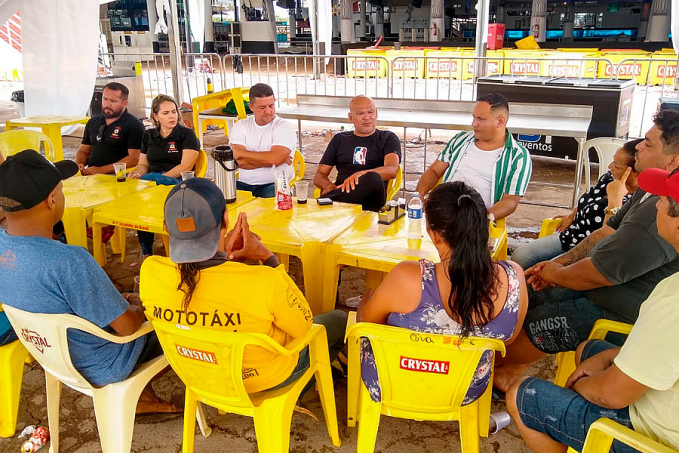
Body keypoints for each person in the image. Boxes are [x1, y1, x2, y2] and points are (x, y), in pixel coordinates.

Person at [493, 109, 679, 393]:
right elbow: (606, 231)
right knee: (528, 293)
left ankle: (496, 372)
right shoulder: (652, 186)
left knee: (539, 321)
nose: (638, 145)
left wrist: (557, 273)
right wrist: (556, 265)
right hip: (599, 289)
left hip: (618, 311)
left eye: (649, 144)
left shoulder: (659, 217)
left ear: (673, 160)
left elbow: (596, 275)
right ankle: (507, 370)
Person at [507, 167, 679, 453]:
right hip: (659, 389)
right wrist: (612, 356)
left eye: (664, 200)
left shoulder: (672, 300)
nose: (657, 203)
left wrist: (579, 388)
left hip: (654, 432)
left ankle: (498, 377)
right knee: (589, 349)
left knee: (522, 394)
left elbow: (612, 395)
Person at [0, 150, 177, 412]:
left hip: (49, 355)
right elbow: (127, 327)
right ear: (51, 200)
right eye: (61, 190)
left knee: (120, 299)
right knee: (179, 320)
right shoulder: (69, 261)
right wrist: (139, 307)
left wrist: (118, 301)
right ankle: (143, 393)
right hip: (104, 363)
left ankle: (143, 398)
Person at [140, 178, 348, 394]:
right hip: (263, 378)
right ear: (225, 220)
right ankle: (310, 380)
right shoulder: (264, 280)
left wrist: (224, 259)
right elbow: (303, 327)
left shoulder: (150, 271)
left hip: (197, 372)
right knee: (338, 321)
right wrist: (268, 258)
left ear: (165, 225)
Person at [357, 181, 528, 403]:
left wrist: (364, 303)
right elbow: (508, 338)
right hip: (465, 390)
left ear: (434, 235)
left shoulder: (407, 278)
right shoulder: (514, 278)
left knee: (362, 312)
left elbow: (370, 326)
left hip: (393, 384)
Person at [512, 138, 642, 270]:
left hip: (592, 254)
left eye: (616, 165)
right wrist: (575, 212)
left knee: (540, 273)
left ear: (636, 175)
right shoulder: (609, 178)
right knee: (520, 257)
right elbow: (591, 196)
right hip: (572, 236)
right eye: (613, 161)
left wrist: (614, 201)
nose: (610, 167)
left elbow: (607, 243)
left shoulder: (637, 202)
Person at [415, 93, 532, 222]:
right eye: (474, 117)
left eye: (481, 119)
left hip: (476, 218)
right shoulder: (461, 139)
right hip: (444, 210)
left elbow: (510, 200)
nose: (474, 123)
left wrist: (485, 219)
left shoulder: (518, 156)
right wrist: (418, 195)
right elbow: (434, 171)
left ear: (500, 121)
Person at [129, 94, 200, 257]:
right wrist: (137, 173)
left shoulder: (186, 135)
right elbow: (143, 164)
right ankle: (146, 252)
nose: (172, 116)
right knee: (139, 202)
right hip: (152, 181)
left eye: (174, 112)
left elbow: (185, 166)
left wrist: (158, 179)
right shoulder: (149, 135)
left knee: (146, 188)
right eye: (166, 113)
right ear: (155, 116)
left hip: (178, 182)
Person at [313, 95, 401, 212]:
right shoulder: (340, 139)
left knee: (373, 178)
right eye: (360, 114)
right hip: (343, 193)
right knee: (341, 193)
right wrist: (327, 185)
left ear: (376, 113)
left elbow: (391, 170)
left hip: (371, 200)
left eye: (371, 112)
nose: (367, 117)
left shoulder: (388, 138)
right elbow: (319, 175)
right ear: (351, 117)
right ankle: (330, 201)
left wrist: (361, 174)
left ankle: (324, 203)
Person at [229, 83, 296, 198]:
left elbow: (274, 158)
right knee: (222, 205)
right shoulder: (241, 125)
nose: (268, 111)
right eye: (262, 108)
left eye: (271, 105)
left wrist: (241, 154)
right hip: (243, 184)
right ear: (251, 107)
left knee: (271, 211)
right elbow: (235, 161)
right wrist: (272, 160)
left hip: (274, 184)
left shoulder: (284, 126)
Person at [75, 82, 145, 175]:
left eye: (113, 101)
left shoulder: (134, 125)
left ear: (125, 103)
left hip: (119, 176)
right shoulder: (93, 122)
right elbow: (84, 150)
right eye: (105, 99)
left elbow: (134, 159)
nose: (107, 104)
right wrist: (80, 163)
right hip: (91, 175)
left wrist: (100, 170)